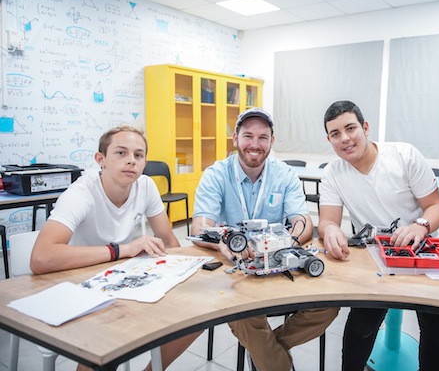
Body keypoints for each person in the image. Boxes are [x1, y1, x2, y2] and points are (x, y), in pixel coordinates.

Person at [30, 125, 199, 371]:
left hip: (122, 278)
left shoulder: (146, 186)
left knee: (194, 317)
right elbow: (41, 258)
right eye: (121, 153)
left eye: (138, 155)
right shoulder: (81, 193)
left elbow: (168, 239)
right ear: (101, 159)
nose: (131, 161)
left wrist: (185, 274)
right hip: (81, 282)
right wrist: (122, 249)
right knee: (109, 344)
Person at [190, 107, 339, 371]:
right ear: (235, 139)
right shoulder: (216, 175)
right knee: (243, 315)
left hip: (277, 261)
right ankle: (274, 361)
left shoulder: (284, 175)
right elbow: (201, 226)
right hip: (237, 268)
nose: (255, 145)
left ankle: (266, 351)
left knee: (327, 307)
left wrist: (285, 241)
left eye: (263, 137)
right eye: (248, 136)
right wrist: (224, 242)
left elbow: (303, 223)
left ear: (272, 141)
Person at [318, 100, 439, 371]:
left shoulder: (403, 155)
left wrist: (420, 226)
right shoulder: (334, 172)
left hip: (422, 252)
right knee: (360, 325)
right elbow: (327, 222)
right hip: (375, 258)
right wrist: (331, 230)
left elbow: (437, 207)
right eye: (335, 134)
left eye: (350, 128)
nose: (344, 139)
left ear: (365, 127)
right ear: (329, 139)